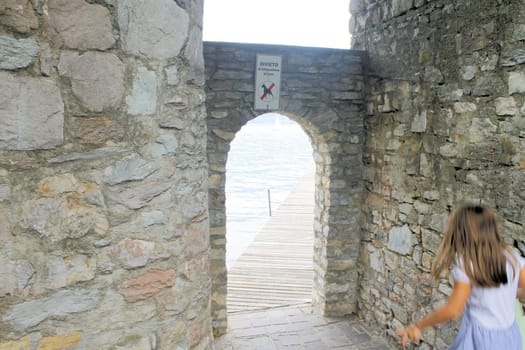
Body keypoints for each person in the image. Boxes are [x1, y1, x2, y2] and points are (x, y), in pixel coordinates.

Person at [396, 204, 525, 349]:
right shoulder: (512, 257)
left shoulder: (467, 264)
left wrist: (418, 326)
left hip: (480, 339)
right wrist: (507, 293)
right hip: (510, 337)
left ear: (461, 232)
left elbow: (453, 310)